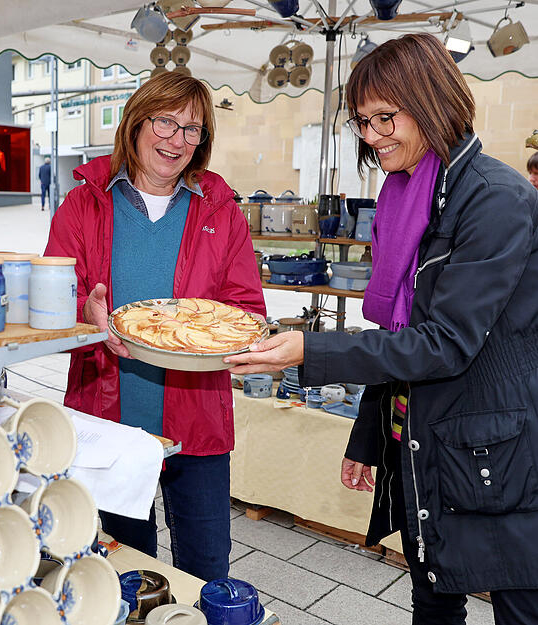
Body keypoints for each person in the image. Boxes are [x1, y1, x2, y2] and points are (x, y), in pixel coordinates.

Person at [226, 33, 538, 624]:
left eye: (385, 118)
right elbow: (401, 327)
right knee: (433, 603)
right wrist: (369, 434)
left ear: (432, 102)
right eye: (363, 121)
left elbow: (444, 342)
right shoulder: (406, 195)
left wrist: (305, 351)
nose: (372, 136)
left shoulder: (496, 200)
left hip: (494, 457)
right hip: (427, 444)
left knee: (518, 607)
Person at [44, 71, 265, 581]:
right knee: (123, 568)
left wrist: (226, 336)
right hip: (110, 420)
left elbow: (246, 307)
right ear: (136, 122)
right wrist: (85, 313)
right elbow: (53, 298)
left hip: (198, 422)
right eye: (166, 121)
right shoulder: (84, 202)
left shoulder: (221, 210)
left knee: (207, 569)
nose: (176, 139)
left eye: (193, 129)